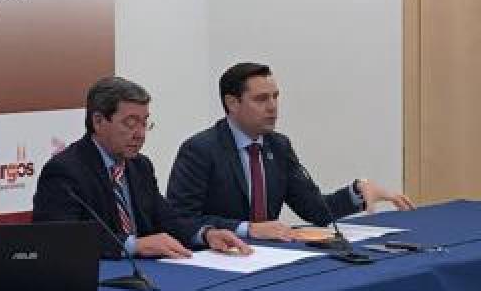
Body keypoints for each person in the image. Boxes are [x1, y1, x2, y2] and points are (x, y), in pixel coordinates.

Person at [166, 62, 413, 240]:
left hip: (268, 255)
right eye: (261, 99)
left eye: (275, 97)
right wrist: (246, 228)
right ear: (232, 103)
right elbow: (181, 220)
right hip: (218, 259)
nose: (273, 107)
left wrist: (357, 191)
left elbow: (315, 210)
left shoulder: (278, 146)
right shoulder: (200, 149)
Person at [33, 76, 250, 259]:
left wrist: (205, 234)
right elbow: (61, 239)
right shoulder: (65, 171)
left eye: (144, 122)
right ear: (98, 121)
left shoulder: (140, 166)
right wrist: (133, 245)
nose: (140, 134)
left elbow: (168, 220)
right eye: (130, 123)